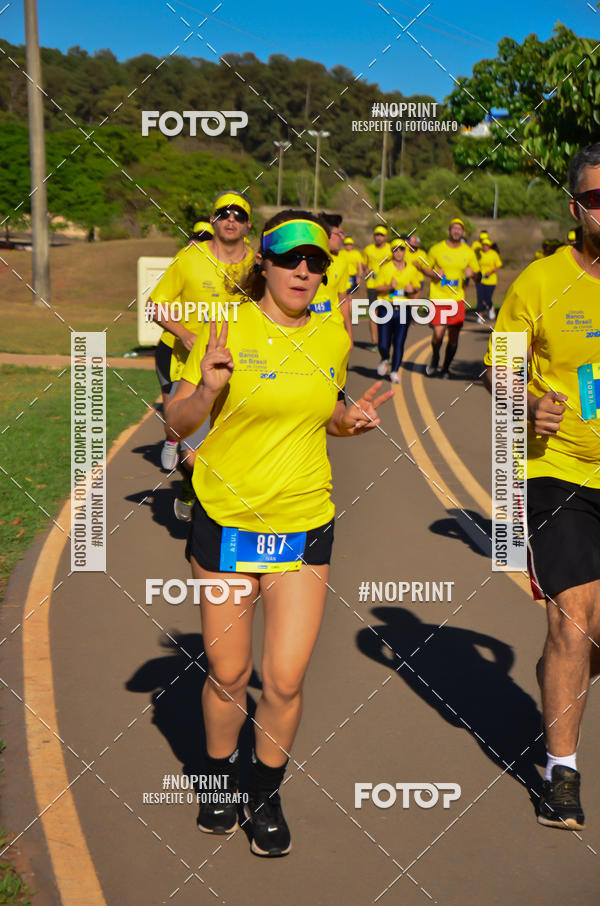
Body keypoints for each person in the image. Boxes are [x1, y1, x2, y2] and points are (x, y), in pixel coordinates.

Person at [166, 210, 394, 856]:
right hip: (227, 520)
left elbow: (324, 413)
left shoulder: (331, 336)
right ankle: (218, 779)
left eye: (315, 261)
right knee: (229, 671)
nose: (303, 270)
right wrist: (206, 391)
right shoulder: (225, 327)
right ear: (262, 262)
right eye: (290, 257)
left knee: (285, 678)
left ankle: (264, 792)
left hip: (302, 521)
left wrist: (349, 420)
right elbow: (175, 424)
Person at [484, 142, 600, 831]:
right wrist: (526, 402)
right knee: (574, 616)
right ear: (575, 208)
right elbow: (498, 368)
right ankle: (561, 771)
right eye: (597, 199)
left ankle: (564, 666)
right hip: (559, 471)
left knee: (585, 636)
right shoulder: (540, 281)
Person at [149, 190, 254, 519]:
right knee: (192, 453)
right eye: (224, 213)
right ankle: (190, 485)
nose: (231, 219)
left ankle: (227, 514)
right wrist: (185, 334)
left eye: (239, 215)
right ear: (213, 220)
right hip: (189, 367)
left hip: (241, 368)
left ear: (248, 225)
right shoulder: (189, 258)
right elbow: (155, 305)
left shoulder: (257, 264)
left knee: (236, 448)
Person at [154, 217, 215, 471]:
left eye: (205, 240)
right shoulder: (183, 265)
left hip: (210, 349)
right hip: (173, 348)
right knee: (173, 404)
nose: (197, 244)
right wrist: (182, 332)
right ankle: (172, 441)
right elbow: (156, 306)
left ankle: (196, 452)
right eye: (196, 238)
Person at [415, 218, 479, 378]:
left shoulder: (469, 252)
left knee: (453, 338)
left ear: (463, 232)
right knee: (438, 334)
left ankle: (445, 368)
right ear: (449, 231)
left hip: (457, 300)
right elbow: (425, 269)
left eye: (459, 229)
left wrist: (473, 274)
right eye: (454, 228)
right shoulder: (436, 249)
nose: (456, 231)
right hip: (438, 298)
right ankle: (435, 358)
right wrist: (434, 274)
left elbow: (478, 277)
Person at [373, 239, 419, 382]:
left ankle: (394, 371)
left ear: (405, 251)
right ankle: (385, 358)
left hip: (404, 309)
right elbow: (377, 287)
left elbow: (416, 288)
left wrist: (412, 290)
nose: (398, 252)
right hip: (386, 307)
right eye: (395, 249)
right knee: (383, 343)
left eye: (401, 249)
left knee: (399, 342)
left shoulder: (411, 269)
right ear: (392, 251)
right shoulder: (385, 268)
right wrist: (390, 287)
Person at [310, 212, 353, 343]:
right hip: (307, 329)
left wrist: (349, 334)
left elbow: (343, 300)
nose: (343, 237)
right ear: (326, 234)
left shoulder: (342, 261)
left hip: (334, 327)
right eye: (339, 233)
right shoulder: (305, 259)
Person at [363, 226, 392, 351]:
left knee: (388, 313)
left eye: (381, 235)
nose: (379, 237)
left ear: (386, 237)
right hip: (372, 286)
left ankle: (387, 339)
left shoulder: (391, 249)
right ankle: (375, 343)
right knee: (373, 313)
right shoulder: (368, 249)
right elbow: (364, 265)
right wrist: (365, 270)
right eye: (377, 235)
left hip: (387, 286)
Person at [475, 237, 502, 322]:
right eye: (483, 245)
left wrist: (491, 271)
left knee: (487, 298)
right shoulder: (479, 253)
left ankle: (491, 307)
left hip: (491, 281)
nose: (485, 246)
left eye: (486, 245)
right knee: (480, 298)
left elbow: (499, 265)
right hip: (480, 280)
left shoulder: (494, 254)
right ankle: (480, 316)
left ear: (489, 246)